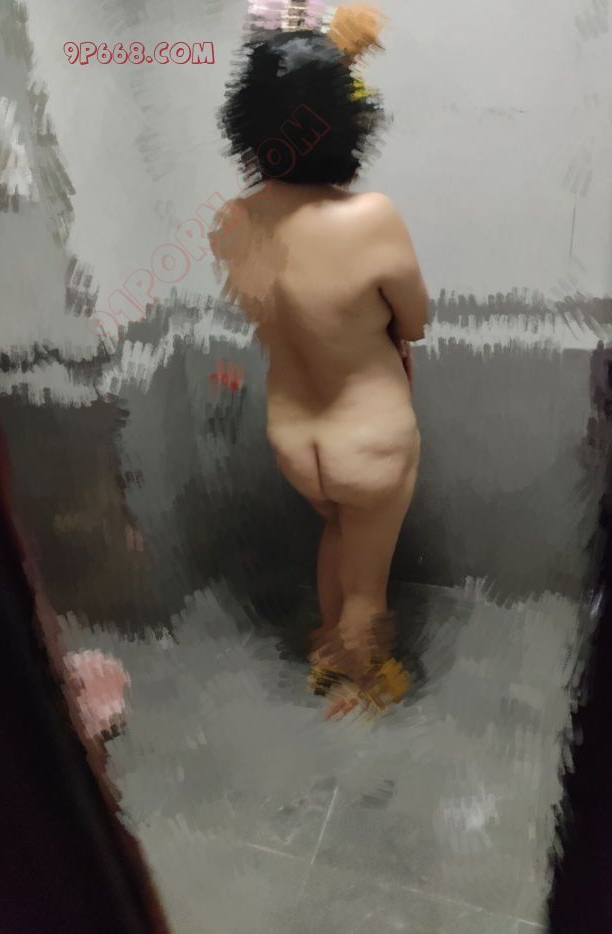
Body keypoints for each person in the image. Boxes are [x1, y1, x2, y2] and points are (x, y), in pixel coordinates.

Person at [210, 25, 429, 719]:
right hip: (368, 440)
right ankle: (357, 685)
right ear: (347, 121)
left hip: (294, 440)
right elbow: (415, 321)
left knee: (338, 535)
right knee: (368, 584)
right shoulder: (371, 218)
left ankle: (326, 651)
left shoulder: (231, 223)